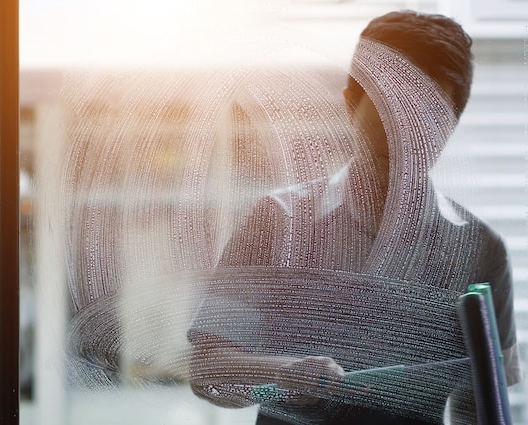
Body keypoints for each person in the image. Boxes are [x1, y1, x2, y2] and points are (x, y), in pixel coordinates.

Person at [187, 10, 521, 425]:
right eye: (390, 107)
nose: (405, 132)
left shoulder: (481, 248)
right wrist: (283, 373)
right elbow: (207, 370)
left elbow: (481, 399)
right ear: (351, 104)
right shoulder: (277, 221)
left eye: (428, 113)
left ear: (453, 122)